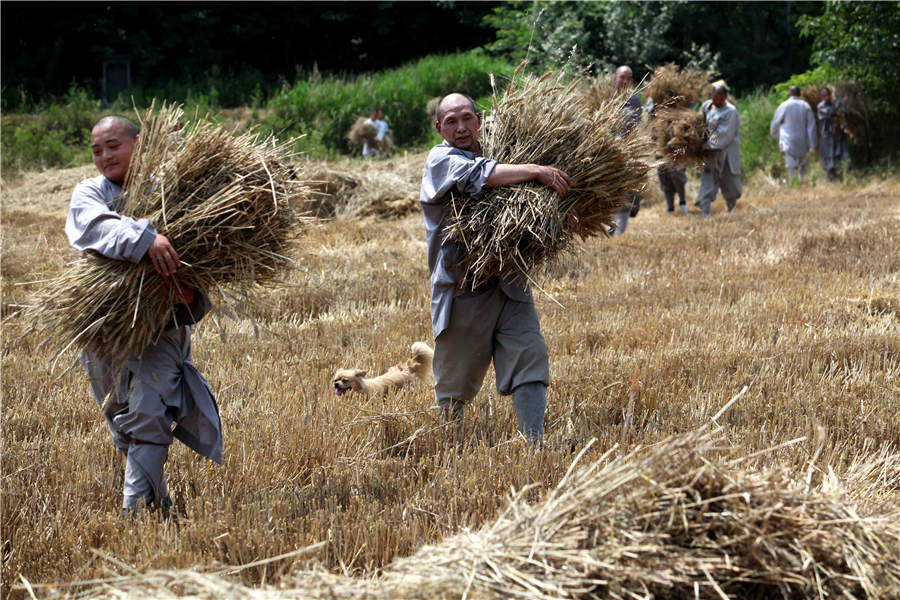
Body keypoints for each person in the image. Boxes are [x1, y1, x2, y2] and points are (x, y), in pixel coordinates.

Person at [66, 115, 222, 516]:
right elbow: (96, 228)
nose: (104, 156)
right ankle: (158, 503)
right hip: (103, 328)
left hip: (162, 327)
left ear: (139, 144)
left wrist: (188, 294)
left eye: (113, 145)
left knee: (149, 412)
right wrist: (147, 238)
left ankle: (134, 515)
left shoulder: (173, 195)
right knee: (121, 420)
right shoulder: (90, 194)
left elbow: (205, 270)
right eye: (96, 150)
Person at [420, 93, 571, 441]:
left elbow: (527, 208)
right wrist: (536, 170)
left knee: (529, 357)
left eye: (466, 118)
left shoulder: (503, 151)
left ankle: (533, 441)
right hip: (464, 288)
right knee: (455, 380)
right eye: (451, 121)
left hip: (510, 281)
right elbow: (482, 176)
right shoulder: (440, 159)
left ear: (479, 118)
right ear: (439, 127)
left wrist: (560, 215)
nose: (460, 127)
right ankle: (452, 445)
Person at [695, 81, 741, 217]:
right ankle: (705, 210)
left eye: (721, 98)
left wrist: (707, 145)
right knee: (707, 179)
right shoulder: (707, 106)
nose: (718, 101)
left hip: (726, 151)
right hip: (709, 152)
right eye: (715, 98)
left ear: (726, 97)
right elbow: (700, 123)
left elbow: (723, 134)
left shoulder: (731, 111)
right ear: (711, 96)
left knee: (729, 180)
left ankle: (731, 207)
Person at [612, 65, 642, 234]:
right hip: (602, 150)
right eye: (622, 77)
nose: (624, 81)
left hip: (625, 151)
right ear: (614, 78)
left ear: (631, 82)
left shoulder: (634, 100)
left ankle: (619, 233)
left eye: (628, 78)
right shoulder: (602, 97)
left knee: (624, 192)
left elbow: (630, 124)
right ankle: (609, 228)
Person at [645, 96, 689, 214]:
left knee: (677, 174)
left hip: (676, 150)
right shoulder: (654, 98)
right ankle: (670, 207)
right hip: (660, 152)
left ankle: (682, 202)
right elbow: (648, 111)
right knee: (664, 177)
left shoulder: (676, 102)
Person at [770, 85, 817, 185]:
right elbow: (811, 126)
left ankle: (793, 184)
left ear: (789, 94)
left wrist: (775, 135)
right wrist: (813, 144)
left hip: (788, 139)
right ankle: (801, 181)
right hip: (802, 139)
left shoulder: (784, 105)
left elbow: (775, 122)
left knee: (790, 164)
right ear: (800, 94)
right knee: (803, 163)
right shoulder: (806, 106)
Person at [817, 86, 850, 183]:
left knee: (841, 157)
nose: (826, 97)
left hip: (838, 136)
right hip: (827, 137)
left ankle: (843, 178)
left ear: (830, 94)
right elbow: (830, 112)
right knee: (829, 159)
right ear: (821, 96)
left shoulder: (834, 103)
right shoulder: (821, 106)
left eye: (827, 95)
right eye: (823, 95)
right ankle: (832, 181)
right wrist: (839, 102)